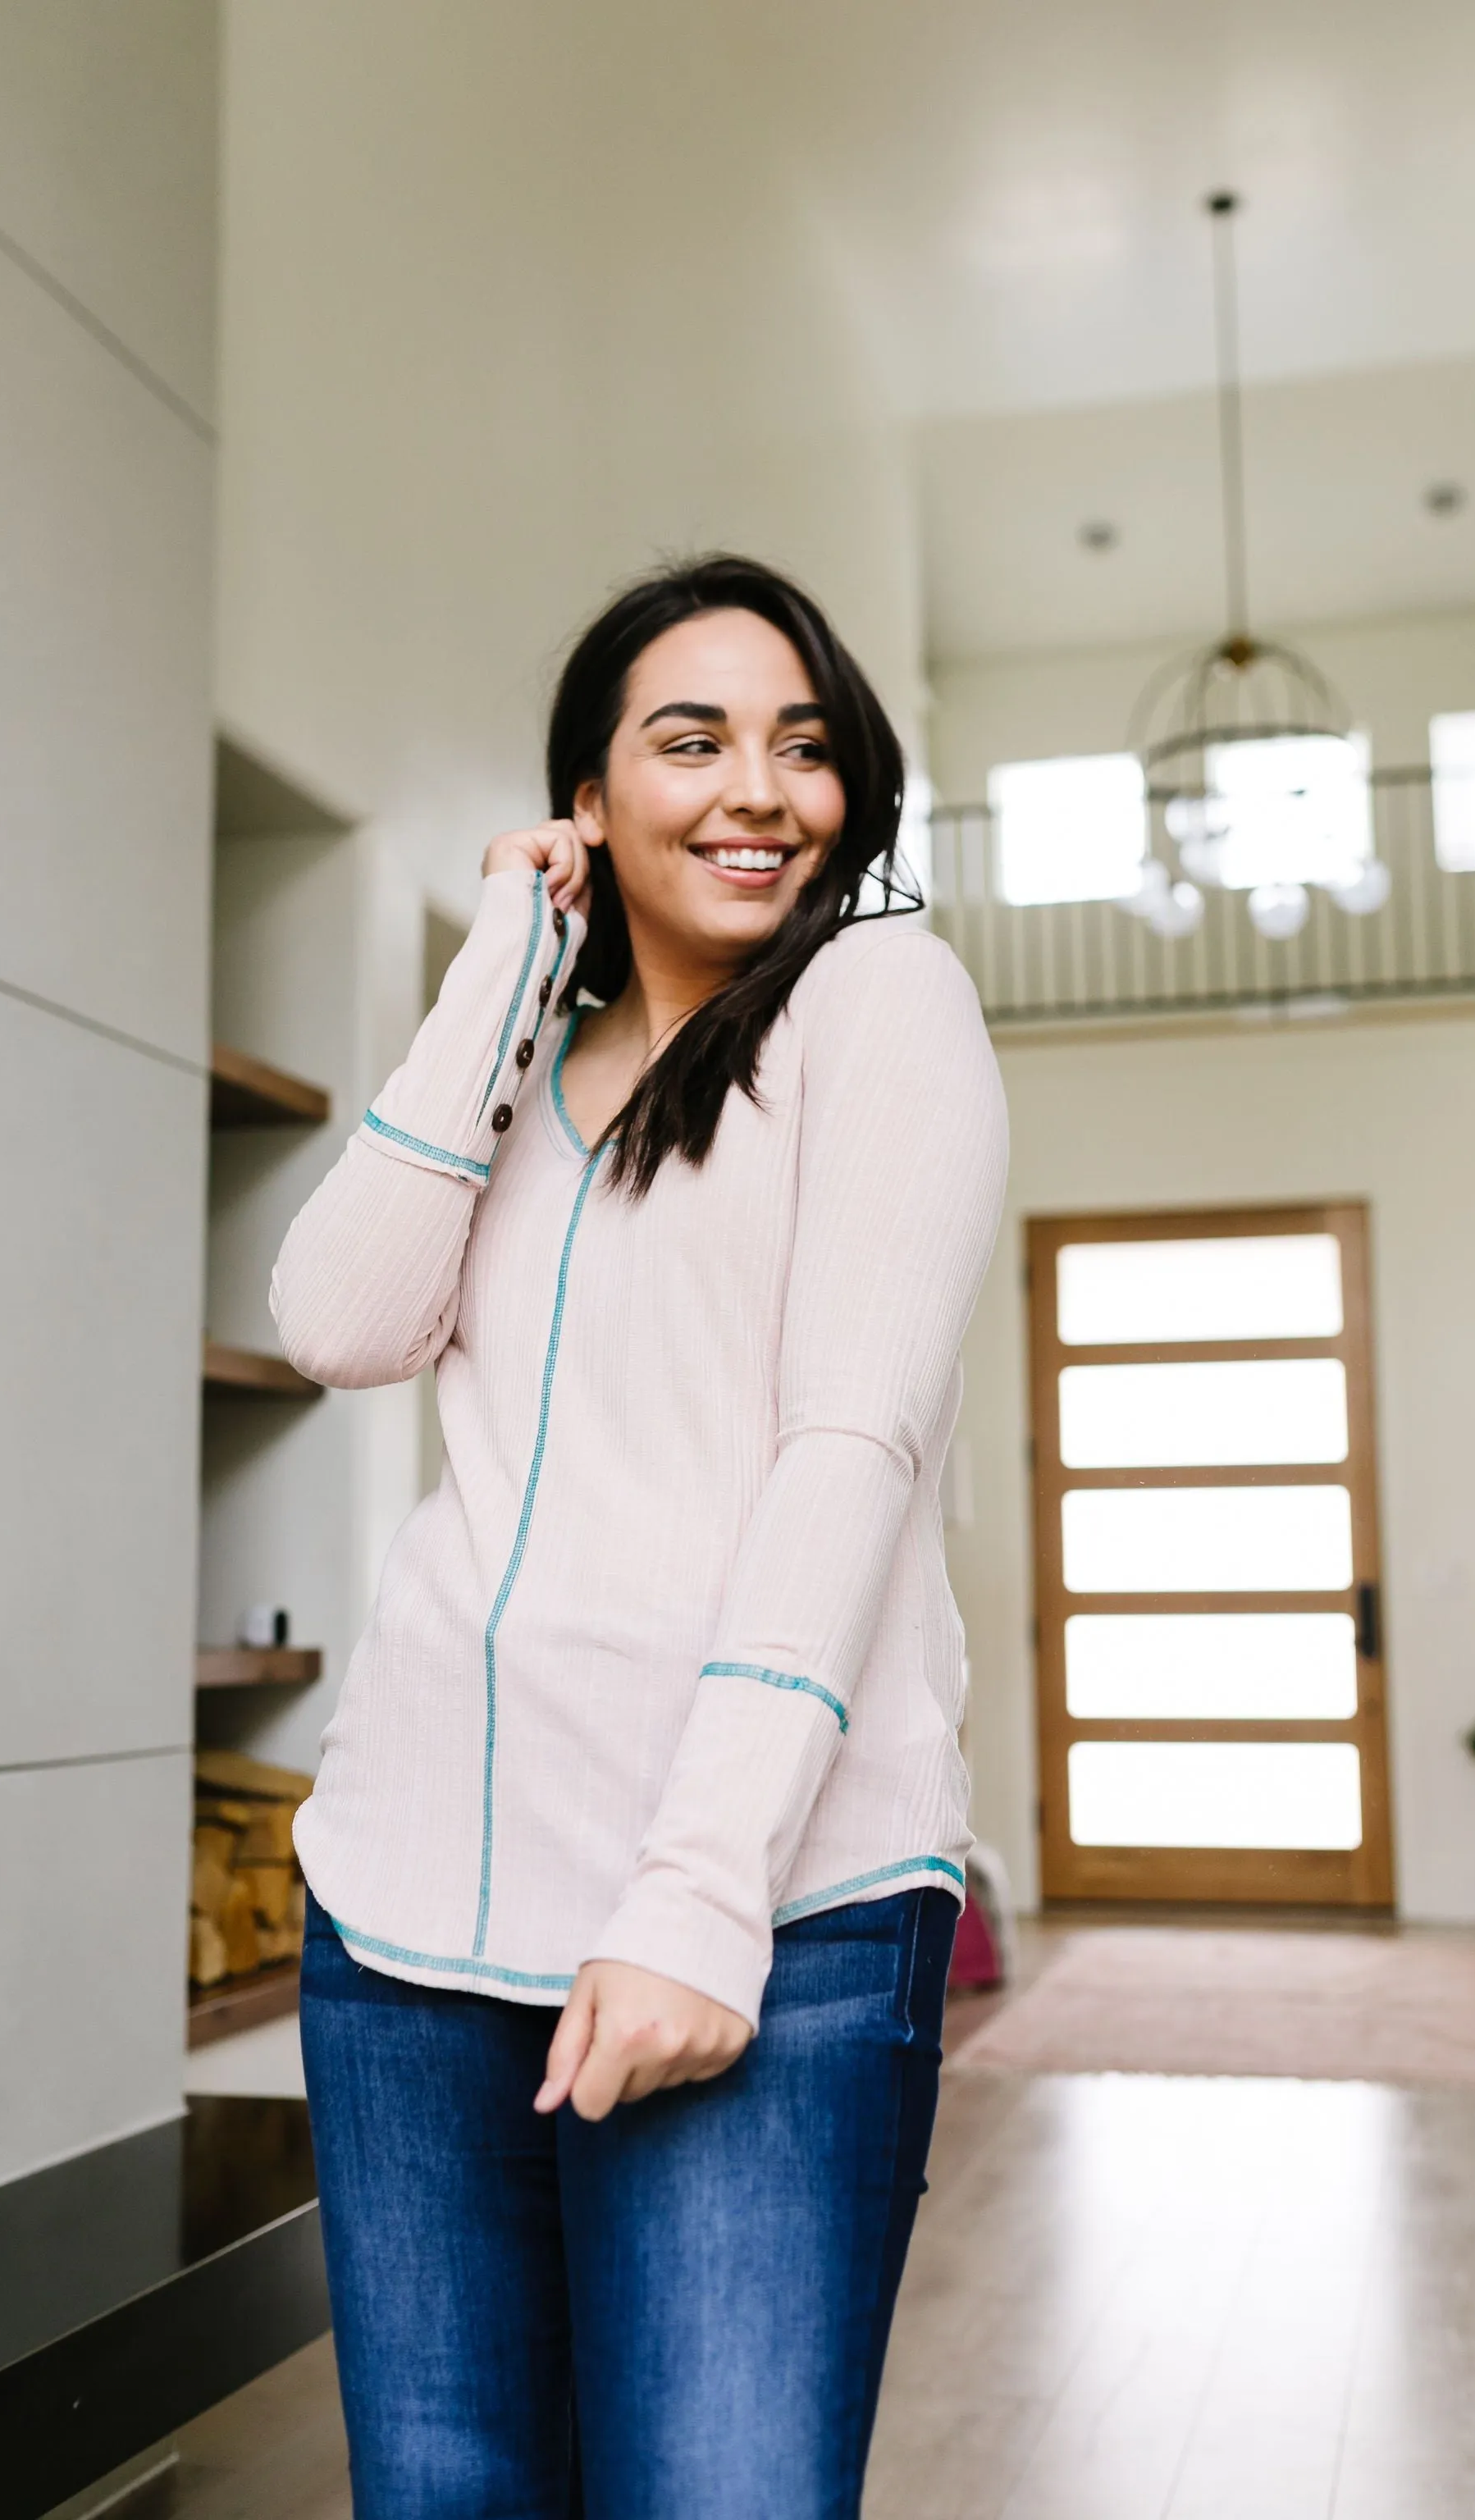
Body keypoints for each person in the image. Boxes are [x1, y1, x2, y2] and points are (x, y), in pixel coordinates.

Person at [272, 554, 1008, 2518]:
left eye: (806, 746)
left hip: (764, 1912)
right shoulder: (518, 1070)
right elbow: (338, 1325)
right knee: (444, 2497)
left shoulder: (876, 1003)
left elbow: (844, 1450)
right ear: (587, 798)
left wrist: (701, 1897)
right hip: (411, 1919)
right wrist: (498, 972)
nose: (758, 789)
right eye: (690, 742)